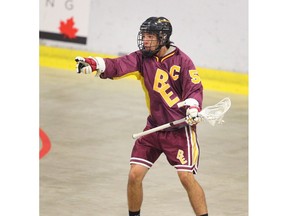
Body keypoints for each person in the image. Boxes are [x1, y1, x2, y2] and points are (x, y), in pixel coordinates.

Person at [75, 16, 208, 216]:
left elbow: (194, 88)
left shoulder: (184, 61)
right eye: (144, 36)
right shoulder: (141, 58)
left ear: (163, 38)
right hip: (154, 127)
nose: (145, 40)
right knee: (134, 175)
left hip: (180, 132)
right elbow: (118, 65)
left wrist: (192, 108)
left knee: (185, 177)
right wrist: (95, 64)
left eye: (150, 36)